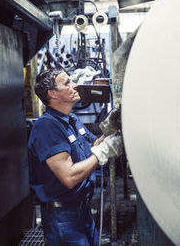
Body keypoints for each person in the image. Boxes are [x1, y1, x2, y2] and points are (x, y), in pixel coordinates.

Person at [28, 67, 123, 245]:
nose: (75, 85)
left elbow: (93, 146)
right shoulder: (47, 127)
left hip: (82, 211)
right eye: (67, 83)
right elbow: (69, 177)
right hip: (63, 219)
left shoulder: (72, 119)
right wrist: (103, 152)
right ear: (52, 94)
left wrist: (108, 130)